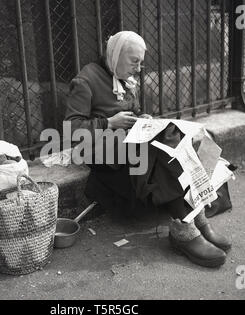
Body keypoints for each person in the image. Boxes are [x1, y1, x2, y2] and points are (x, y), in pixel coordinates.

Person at [64, 30, 231, 268]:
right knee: (157, 152)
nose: (139, 68)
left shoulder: (122, 76)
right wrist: (109, 122)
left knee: (180, 139)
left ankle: (197, 216)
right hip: (99, 150)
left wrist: (143, 118)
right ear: (116, 55)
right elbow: (71, 129)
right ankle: (184, 230)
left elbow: (132, 112)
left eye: (141, 63)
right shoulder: (85, 80)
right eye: (134, 61)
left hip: (128, 142)